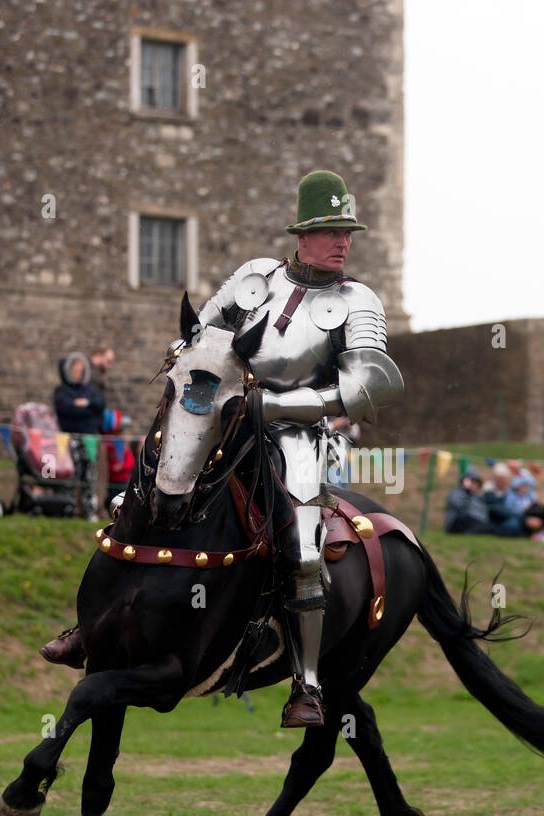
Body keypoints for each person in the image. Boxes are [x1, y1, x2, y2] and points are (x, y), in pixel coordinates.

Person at [40, 170, 404, 731]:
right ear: (301, 234)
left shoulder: (358, 301)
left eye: (347, 231)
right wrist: (187, 367)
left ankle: (306, 683)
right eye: (330, 230)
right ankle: (90, 630)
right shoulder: (254, 277)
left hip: (297, 440)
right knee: (138, 499)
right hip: (223, 423)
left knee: (304, 550)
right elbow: (199, 334)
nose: (343, 241)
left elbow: (370, 386)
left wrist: (282, 409)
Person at [53, 351, 105, 521]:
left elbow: (99, 404)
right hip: (69, 439)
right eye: (74, 370)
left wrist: (86, 404)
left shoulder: (89, 391)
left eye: (80, 371)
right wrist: (83, 408)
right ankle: (69, 508)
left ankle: (89, 510)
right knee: (71, 474)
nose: (77, 374)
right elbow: (65, 408)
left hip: (89, 438)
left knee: (89, 475)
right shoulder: (61, 391)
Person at [444, 468, 497, 534]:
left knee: (488, 525)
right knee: (466, 518)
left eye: (477, 483)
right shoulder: (456, 493)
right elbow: (459, 505)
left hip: (475, 523)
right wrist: (467, 491)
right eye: (473, 482)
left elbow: (482, 513)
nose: (475, 486)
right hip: (457, 523)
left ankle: (471, 532)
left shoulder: (477, 496)